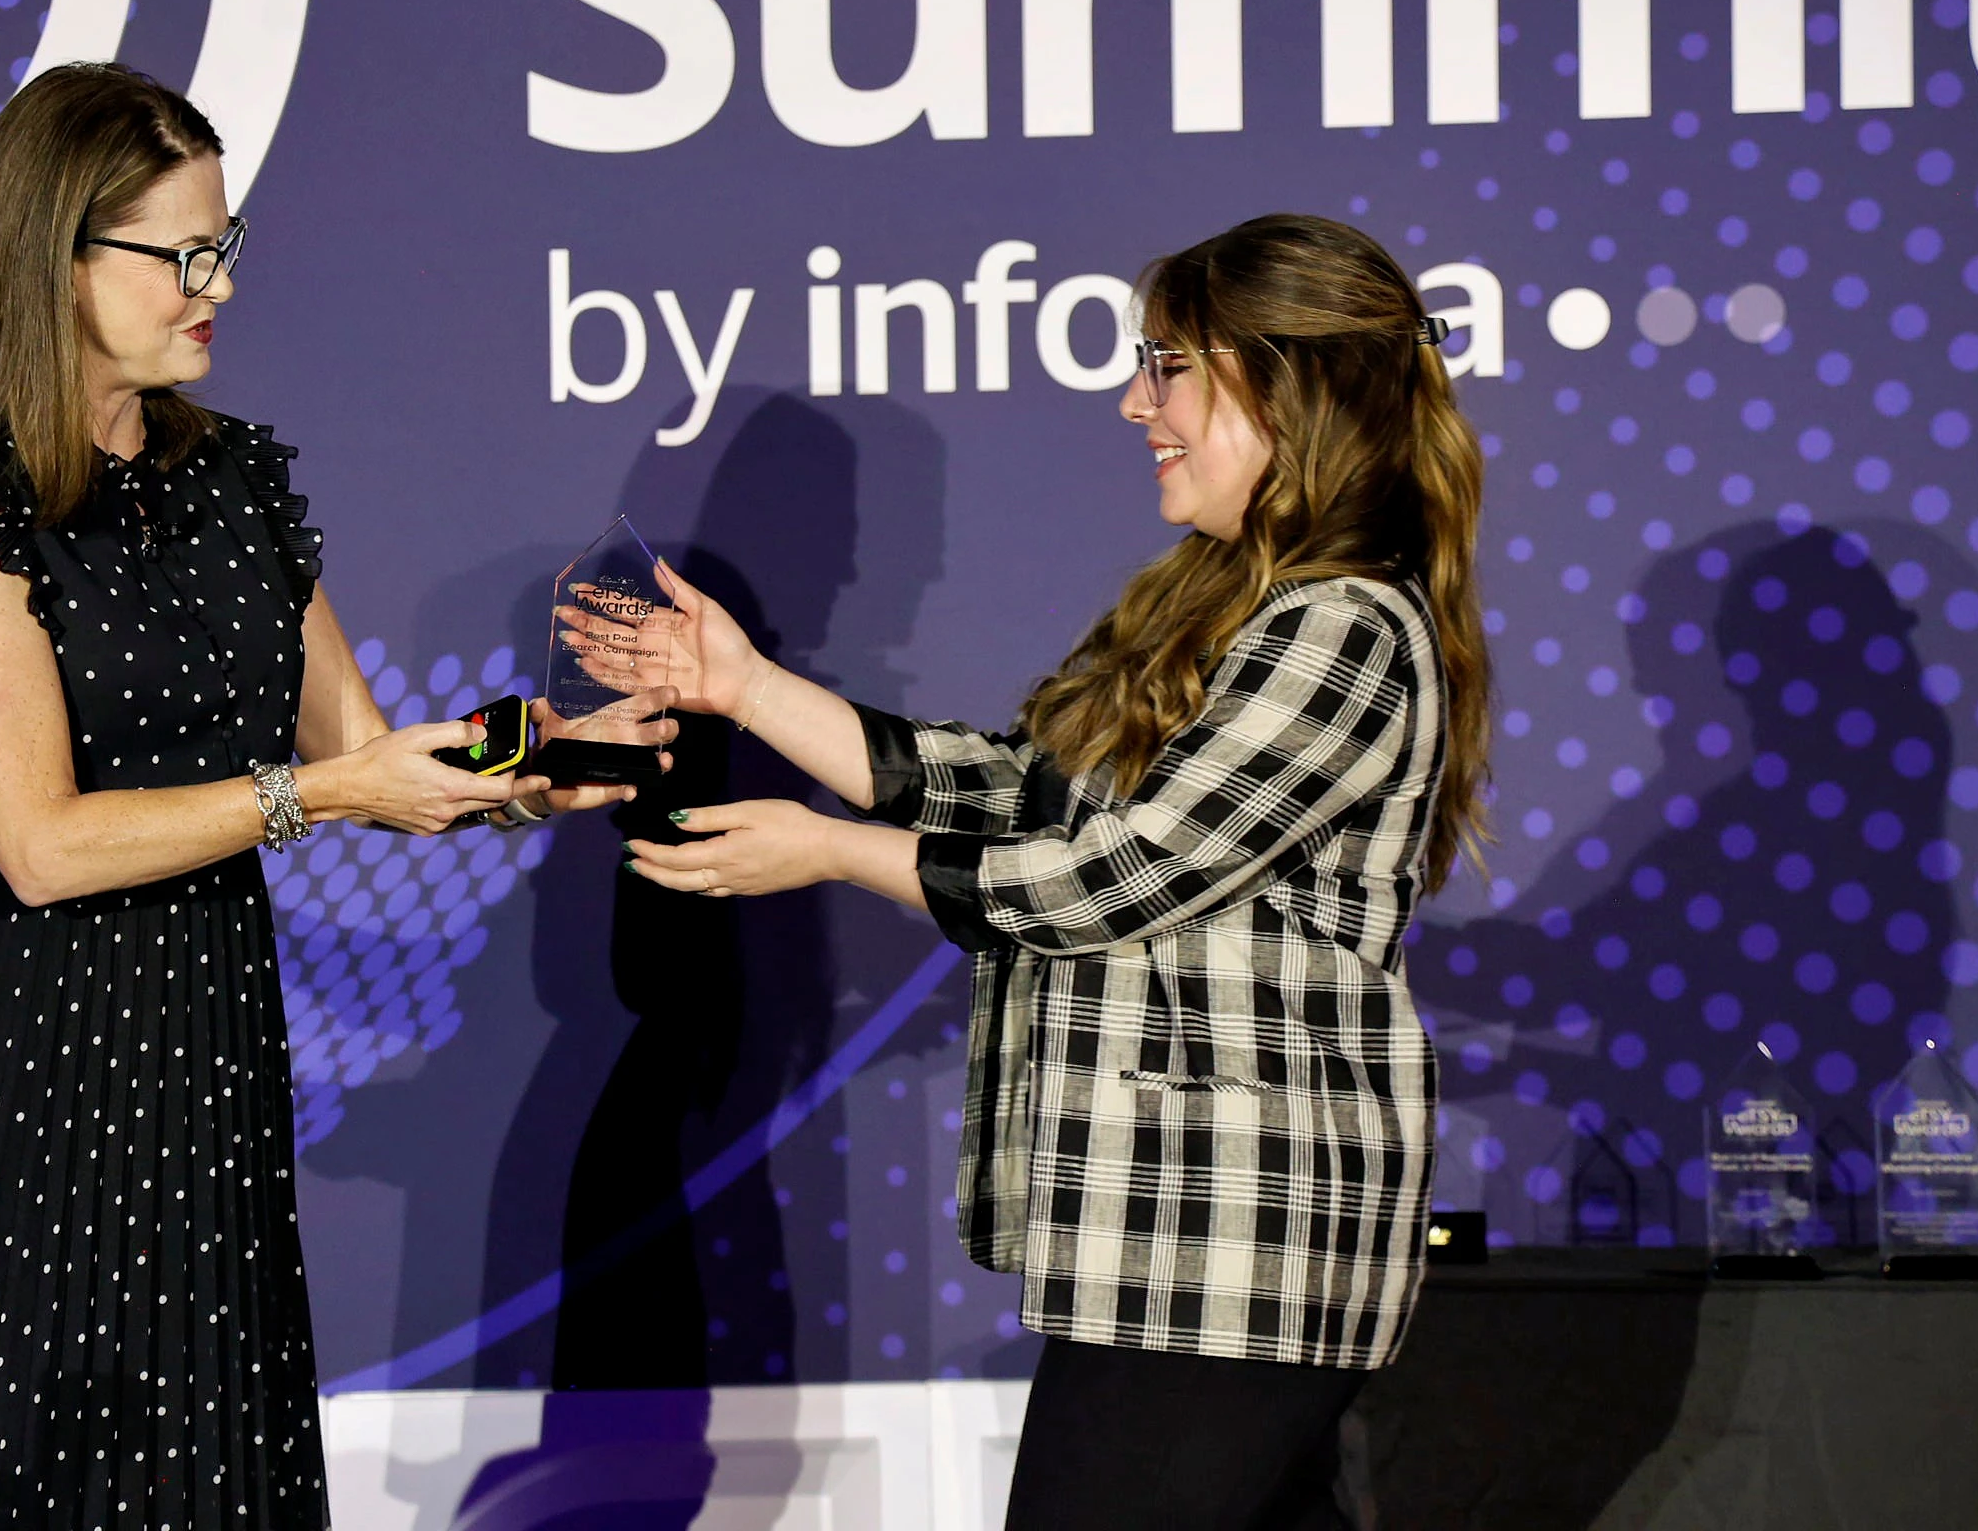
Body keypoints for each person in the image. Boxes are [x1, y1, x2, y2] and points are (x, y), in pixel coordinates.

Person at [0, 62, 653, 1527]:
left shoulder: (234, 482)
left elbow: (368, 746)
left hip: (196, 1034)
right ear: (56, 260)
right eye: (180, 255)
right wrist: (325, 794)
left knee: (202, 1455)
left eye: (225, 247)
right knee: (29, 1469)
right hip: (19, 1053)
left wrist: (541, 766)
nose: (215, 285)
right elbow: (40, 847)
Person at [599, 215, 1489, 1531]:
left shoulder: (1342, 625)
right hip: (1180, 1245)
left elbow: (1119, 871)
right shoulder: (1222, 599)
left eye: (1169, 366)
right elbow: (1028, 792)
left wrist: (834, 853)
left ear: (1285, 381)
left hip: (1231, 1241)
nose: (1136, 403)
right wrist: (749, 689)